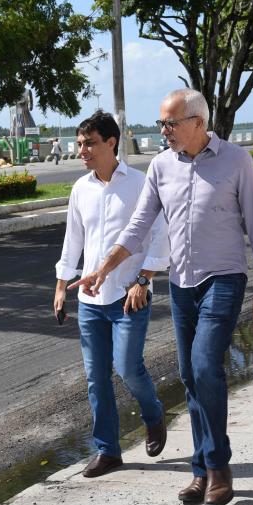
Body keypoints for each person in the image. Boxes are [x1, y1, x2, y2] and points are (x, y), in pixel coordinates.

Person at [75, 88, 253, 505]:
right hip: (182, 284)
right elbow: (138, 226)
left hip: (224, 278)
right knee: (189, 375)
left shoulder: (236, 160)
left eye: (170, 123)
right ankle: (201, 471)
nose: (163, 130)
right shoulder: (161, 165)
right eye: (161, 123)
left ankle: (218, 468)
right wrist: (103, 268)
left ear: (198, 122)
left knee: (205, 367)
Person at [53, 111, 170, 478]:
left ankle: (154, 414)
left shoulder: (139, 184)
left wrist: (144, 280)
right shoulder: (81, 189)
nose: (82, 151)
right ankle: (108, 451)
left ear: (111, 143)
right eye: (79, 144)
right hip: (91, 301)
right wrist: (61, 285)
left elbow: (160, 235)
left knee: (128, 368)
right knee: (96, 378)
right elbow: (74, 239)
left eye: (89, 143)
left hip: (129, 295)